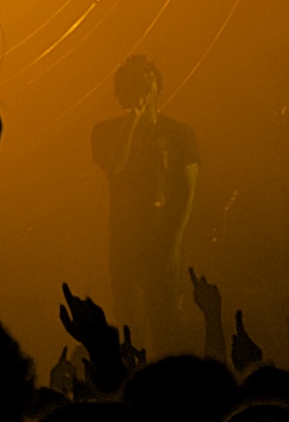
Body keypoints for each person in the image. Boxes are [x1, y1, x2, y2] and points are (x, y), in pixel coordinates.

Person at [90, 57, 197, 353]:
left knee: (165, 321)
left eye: (144, 84)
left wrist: (173, 243)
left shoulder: (180, 134)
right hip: (125, 239)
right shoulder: (105, 131)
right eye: (130, 86)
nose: (138, 92)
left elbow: (186, 192)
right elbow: (115, 168)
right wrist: (131, 122)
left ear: (156, 88)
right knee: (128, 321)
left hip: (162, 238)